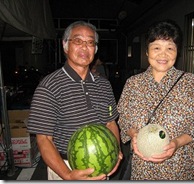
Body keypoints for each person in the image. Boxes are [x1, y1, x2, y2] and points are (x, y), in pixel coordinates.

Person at [117, 19, 194, 180]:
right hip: (142, 168)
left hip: (179, 167)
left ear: (177, 52)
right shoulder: (133, 83)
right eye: (156, 48)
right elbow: (124, 118)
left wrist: (176, 143)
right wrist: (134, 135)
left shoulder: (190, 82)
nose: (163, 54)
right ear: (147, 52)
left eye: (170, 48)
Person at [27, 21, 123, 180]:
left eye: (90, 42)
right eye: (78, 41)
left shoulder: (104, 85)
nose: (85, 47)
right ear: (65, 46)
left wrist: (116, 152)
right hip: (65, 166)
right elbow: (43, 139)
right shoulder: (49, 86)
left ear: (95, 49)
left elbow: (110, 123)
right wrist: (68, 175)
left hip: (103, 164)